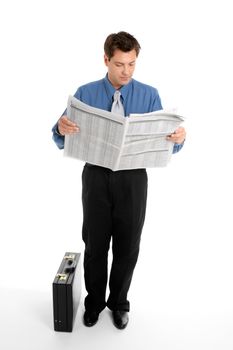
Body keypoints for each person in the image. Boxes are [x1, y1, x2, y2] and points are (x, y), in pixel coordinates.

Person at [52, 31, 186, 330]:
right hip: (96, 177)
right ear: (105, 60)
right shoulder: (85, 93)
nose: (126, 71)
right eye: (119, 64)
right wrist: (61, 128)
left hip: (134, 181)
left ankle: (119, 303)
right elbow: (58, 136)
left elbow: (167, 142)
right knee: (95, 244)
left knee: (127, 246)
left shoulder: (149, 95)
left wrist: (178, 138)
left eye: (132, 64)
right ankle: (94, 303)